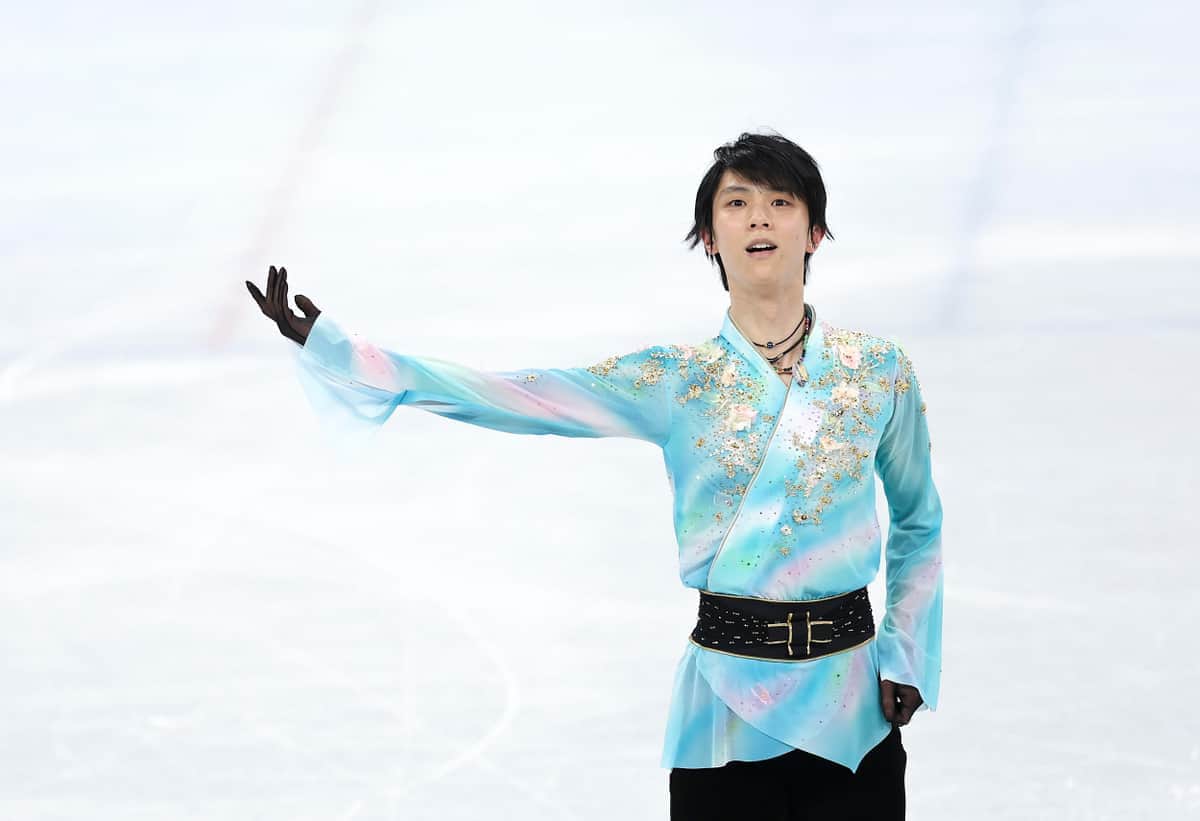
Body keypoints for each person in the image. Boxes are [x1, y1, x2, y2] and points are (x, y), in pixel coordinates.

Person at [246, 131, 943, 820]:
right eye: (737, 203)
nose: (759, 217)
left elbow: (918, 518)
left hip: (853, 708)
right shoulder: (675, 379)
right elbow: (522, 395)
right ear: (709, 238)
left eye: (780, 202)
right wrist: (345, 354)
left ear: (815, 231)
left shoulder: (877, 370)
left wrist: (906, 652)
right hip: (725, 713)